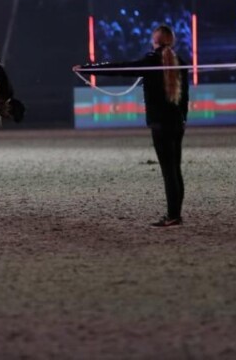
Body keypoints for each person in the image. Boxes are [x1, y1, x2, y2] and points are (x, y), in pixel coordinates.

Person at [74, 24, 189, 227]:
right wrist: (183, 119)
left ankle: (173, 215)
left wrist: (87, 68)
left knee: (168, 171)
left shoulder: (152, 60)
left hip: (160, 124)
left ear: (155, 41)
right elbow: (185, 96)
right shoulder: (179, 61)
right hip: (177, 123)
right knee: (175, 169)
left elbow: (121, 68)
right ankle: (175, 214)